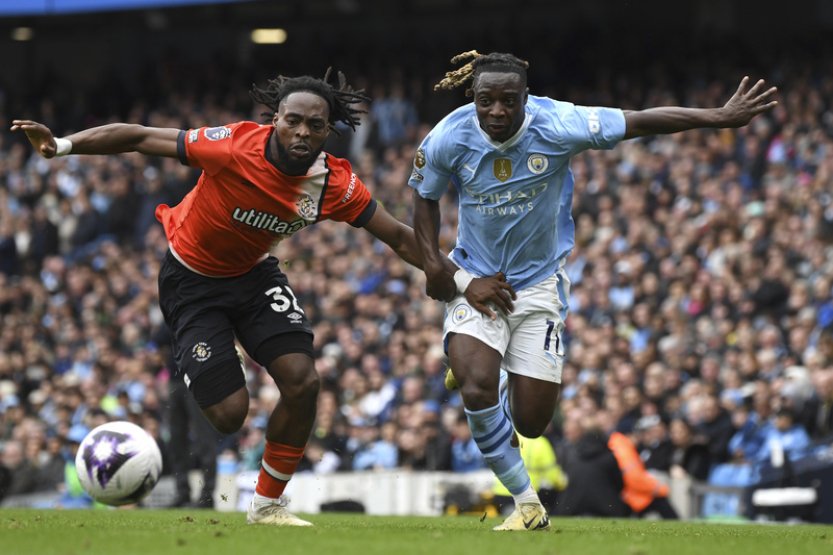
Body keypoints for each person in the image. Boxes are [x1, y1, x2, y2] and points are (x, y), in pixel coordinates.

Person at [12, 69, 503, 526]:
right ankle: (195, 361)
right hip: (192, 281)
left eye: (316, 125)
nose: (302, 133)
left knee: (303, 382)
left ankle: (267, 504)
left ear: (329, 130)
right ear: (275, 120)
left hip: (254, 277)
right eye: (293, 121)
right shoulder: (232, 147)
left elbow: (398, 236)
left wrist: (460, 281)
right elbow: (141, 137)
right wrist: (62, 144)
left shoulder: (334, 182)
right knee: (229, 416)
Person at [409, 50, 777, 531]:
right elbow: (423, 197)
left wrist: (718, 117)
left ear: (526, 98)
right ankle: (526, 504)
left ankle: (483, 367)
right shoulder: (448, 136)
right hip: (477, 278)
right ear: (472, 98)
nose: (496, 112)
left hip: (539, 286)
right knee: (476, 386)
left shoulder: (560, 123)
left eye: (508, 101)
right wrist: (440, 269)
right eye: (485, 101)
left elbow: (640, 121)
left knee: (532, 423)